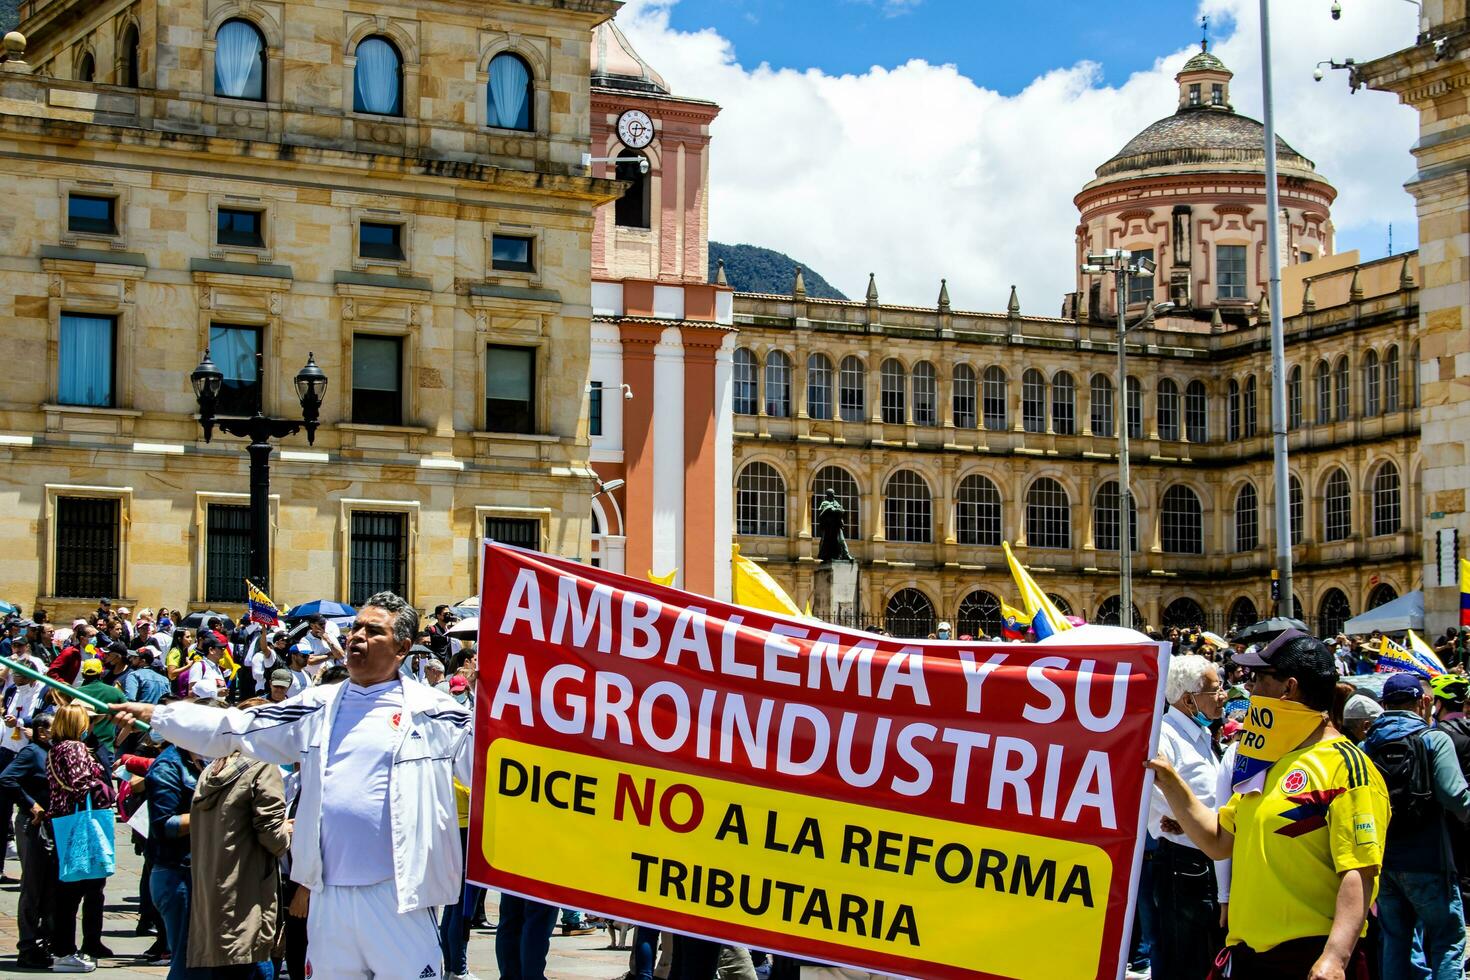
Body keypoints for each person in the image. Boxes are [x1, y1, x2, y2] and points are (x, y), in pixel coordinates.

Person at [112, 591, 473, 979]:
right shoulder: (316, 704)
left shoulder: (439, 714)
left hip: (400, 898)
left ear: (403, 647)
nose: (356, 638)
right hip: (328, 898)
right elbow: (239, 727)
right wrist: (161, 716)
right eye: (354, 628)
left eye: (372, 631)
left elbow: (486, 770)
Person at [1149, 630, 1388, 979]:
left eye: (1259, 679)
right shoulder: (1264, 762)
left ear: (1288, 688)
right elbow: (1218, 840)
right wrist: (1168, 778)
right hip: (1250, 957)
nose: (1249, 690)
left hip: (1310, 960)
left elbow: (1360, 871)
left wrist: (1335, 958)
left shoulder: (1347, 767)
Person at [1361, 672, 1470, 980]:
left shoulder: (1365, 746)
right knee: (1447, 941)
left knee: (1396, 941)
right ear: (1423, 702)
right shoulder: (1434, 739)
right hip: (1430, 861)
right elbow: (1456, 796)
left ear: (1383, 705)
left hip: (1384, 863)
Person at [188, 697, 292, 977]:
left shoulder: (214, 767)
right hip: (247, 904)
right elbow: (273, 836)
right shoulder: (262, 766)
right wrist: (289, 831)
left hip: (215, 902)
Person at [1147, 654, 1226, 980]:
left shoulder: (1201, 736)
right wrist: (1199, 821)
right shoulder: (1164, 737)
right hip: (1182, 865)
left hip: (1208, 862)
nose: (1223, 696)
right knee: (1184, 957)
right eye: (1215, 689)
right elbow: (1157, 793)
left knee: (1205, 953)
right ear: (1188, 699)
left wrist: (1195, 819)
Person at [47, 702, 116, 972]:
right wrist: (106, 789)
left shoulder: (56, 749)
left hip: (65, 821)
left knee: (70, 889)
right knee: (78, 888)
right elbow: (81, 784)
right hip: (82, 823)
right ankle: (65, 950)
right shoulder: (74, 748)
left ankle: (65, 948)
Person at [147, 721, 206, 980]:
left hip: (195, 870)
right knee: (185, 962)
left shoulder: (200, 761)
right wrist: (213, 812)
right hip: (177, 873)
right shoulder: (169, 766)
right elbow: (164, 825)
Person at [0, 711, 54, 968]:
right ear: (42, 731)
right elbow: (6, 778)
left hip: (52, 825)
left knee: (48, 887)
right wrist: (30, 804)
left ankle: (44, 941)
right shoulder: (31, 753)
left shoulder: (56, 751)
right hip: (32, 825)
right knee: (32, 887)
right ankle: (28, 946)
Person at [75, 656, 127, 775]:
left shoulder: (75, 693)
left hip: (80, 747)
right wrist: (117, 744)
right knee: (105, 788)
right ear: (101, 673)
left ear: (83, 675)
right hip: (106, 747)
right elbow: (129, 720)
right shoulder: (115, 692)